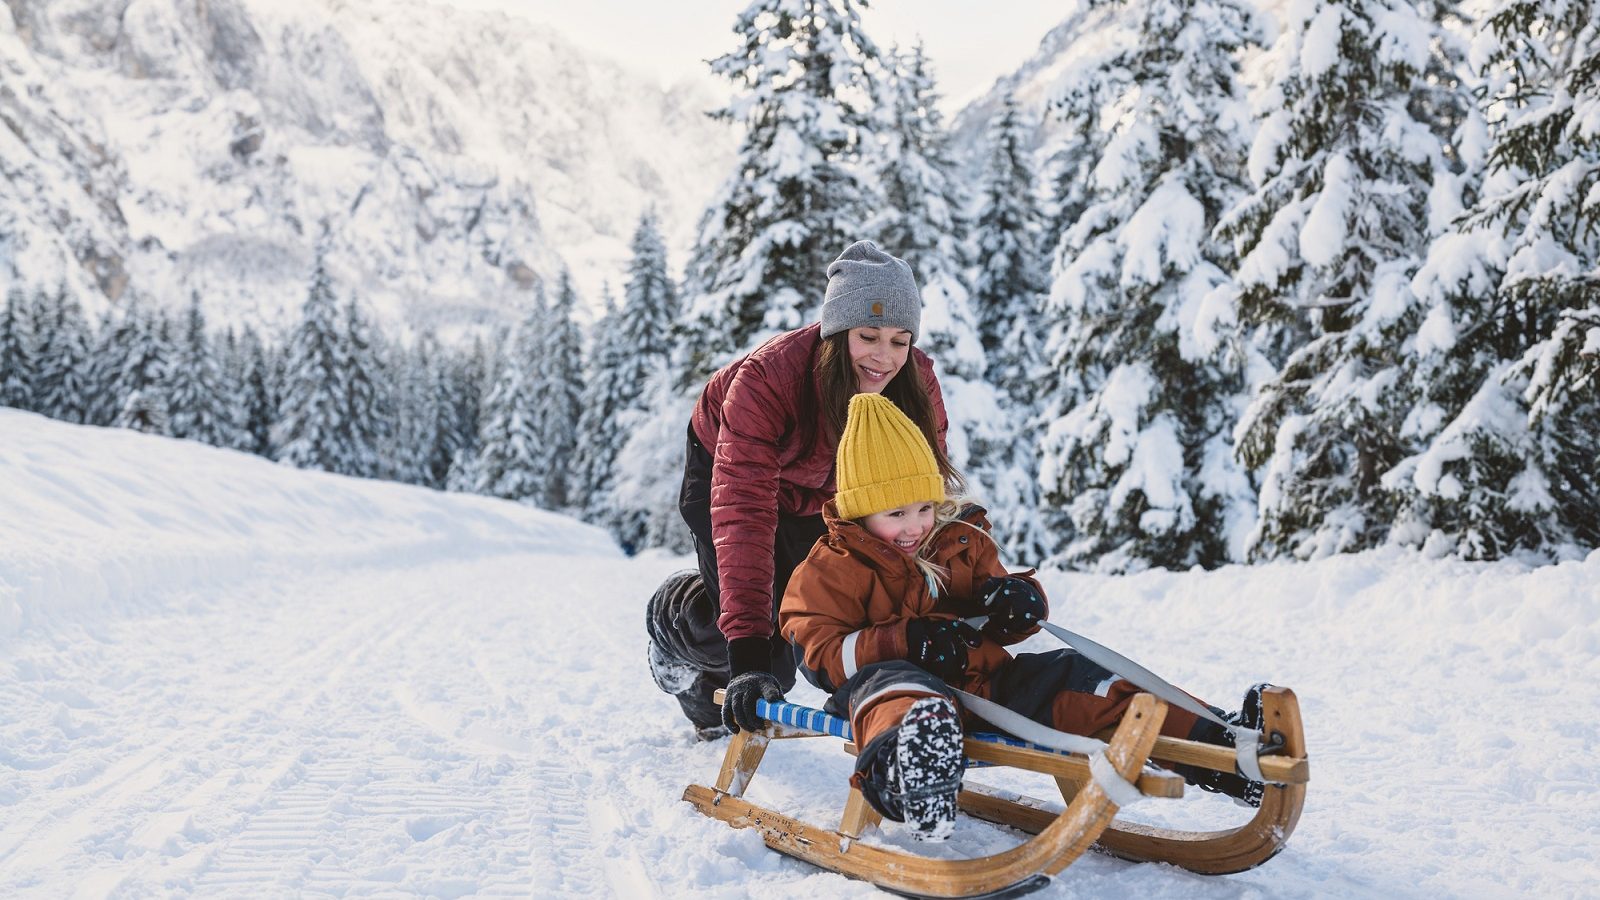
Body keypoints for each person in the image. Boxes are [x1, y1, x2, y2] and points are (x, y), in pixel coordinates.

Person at [779, 392, 1265, 841]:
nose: (914, 526)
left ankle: (1221, 745)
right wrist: (905, 642)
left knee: (1082, 679)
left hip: (989, 686)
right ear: (860, 513)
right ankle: (915, 771)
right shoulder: (832, 568)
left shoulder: (956, 541)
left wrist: (1015, 603)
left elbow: (1003, 616)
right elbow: (818, 655)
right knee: (901, 687)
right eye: (896, 514)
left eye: (924, 507)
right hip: (892, 693)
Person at [645, 241, 955, 741]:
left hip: (823, 493)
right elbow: (744, 514)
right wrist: (746, 654)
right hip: (728, 472)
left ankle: (713, 694)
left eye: (900, 340)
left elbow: (927, 499)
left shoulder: (916, 384)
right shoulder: (768, 379)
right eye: (868, 335)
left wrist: (958, 595)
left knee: (806, 628)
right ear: (837, 332)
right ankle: (672, 619)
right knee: (762, 650)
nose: (885, 356)